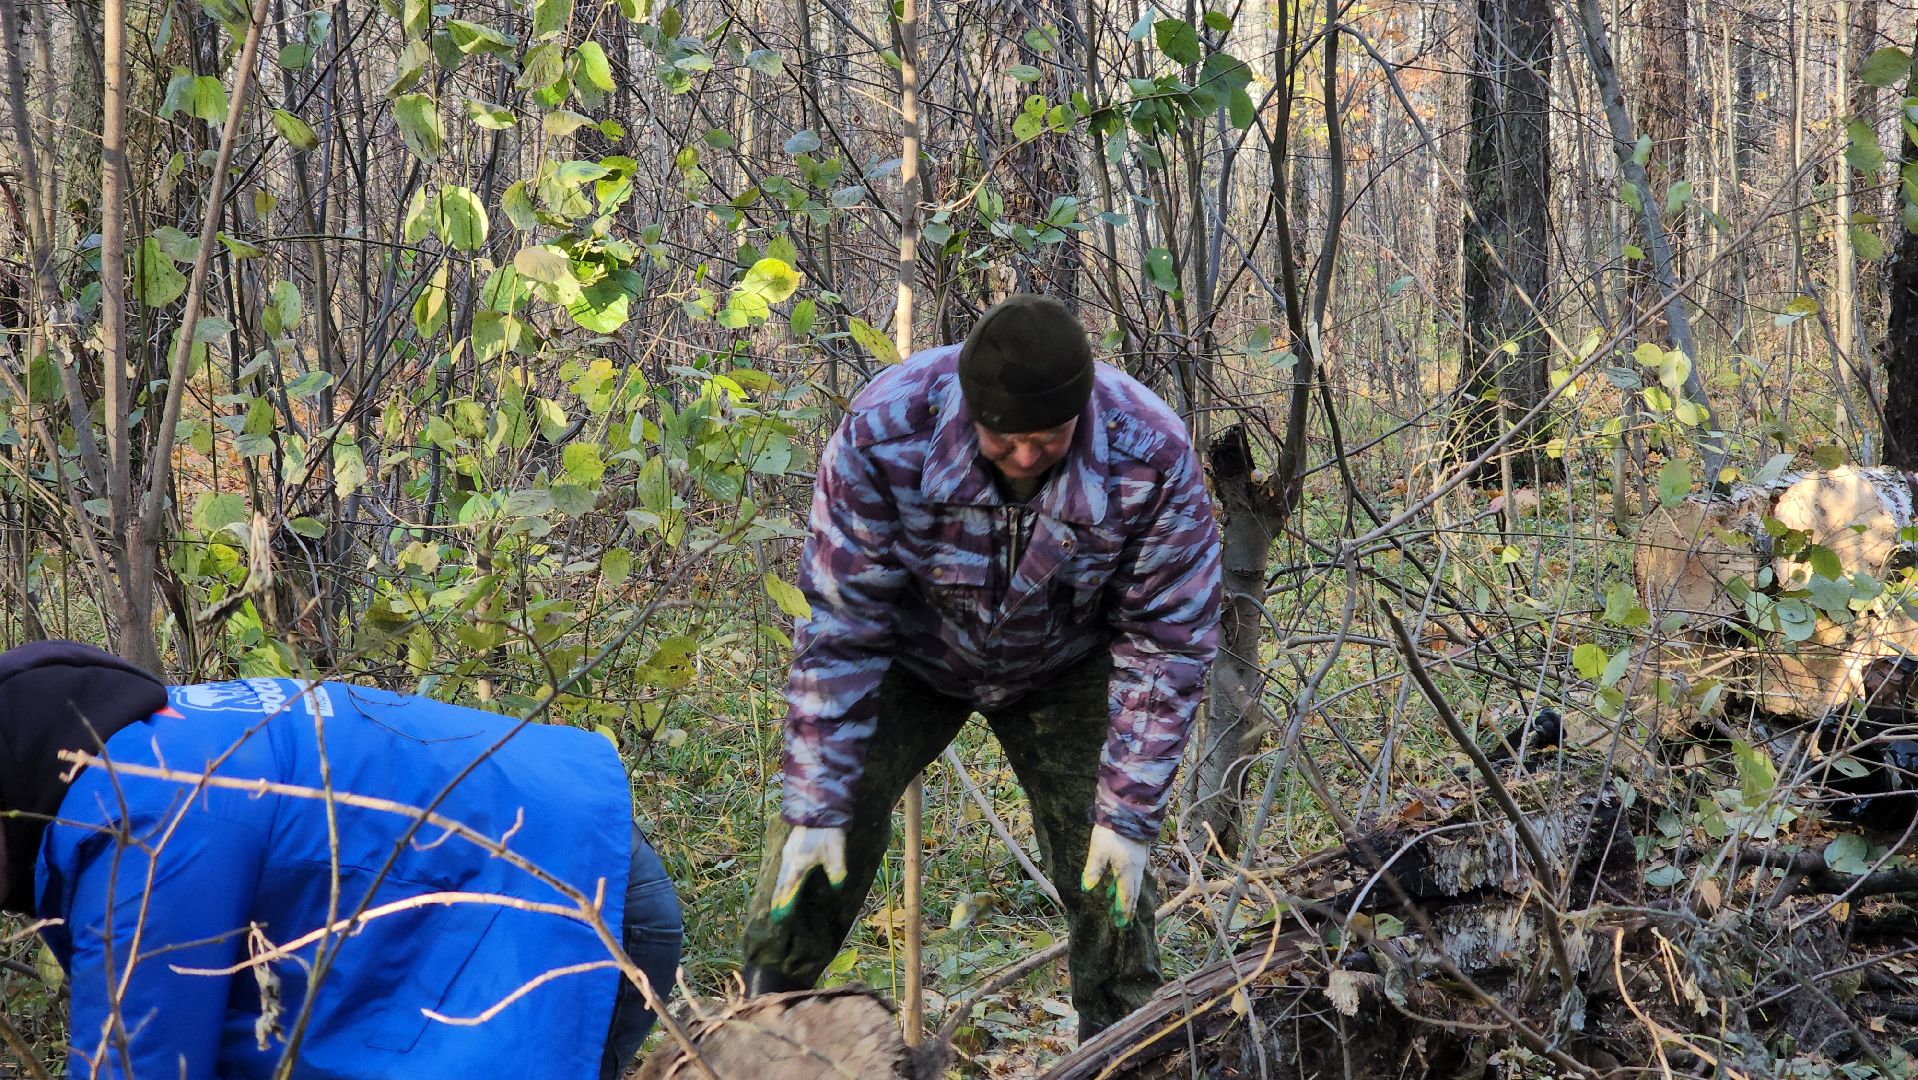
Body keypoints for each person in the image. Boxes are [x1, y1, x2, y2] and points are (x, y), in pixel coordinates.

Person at [740, 294, 1223, 1038]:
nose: (1027, 456)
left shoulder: (1149, 452)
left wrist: (1127, 815)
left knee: (1110, 877)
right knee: (812, 851)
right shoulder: (886, 430)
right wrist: (815, 798)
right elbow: (842, 622)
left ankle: (1124, 1043)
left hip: (1066, 662)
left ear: (1083, 408)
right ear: (970, 409)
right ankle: (760, 1031)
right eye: (1007, 438)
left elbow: (1166, 641)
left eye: (1049, 437)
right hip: (908, 656)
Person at [0, 641, 680, 1079]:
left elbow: (140, 1058)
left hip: (579, 901)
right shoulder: (136, 751)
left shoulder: (142, 824)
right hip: (573, 837)